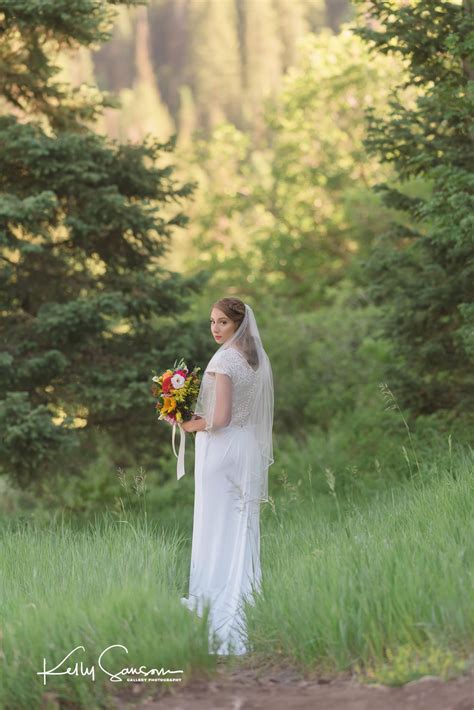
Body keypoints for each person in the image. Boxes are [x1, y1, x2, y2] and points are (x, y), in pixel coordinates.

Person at [179, 297, 274, 655]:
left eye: (222, 322)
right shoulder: (255, 360)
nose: (215, 328)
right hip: (246, 448)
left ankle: (214, 602)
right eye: (212, 322)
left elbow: (218, 419)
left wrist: (187, 424)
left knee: (214, 524)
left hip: (221, 450)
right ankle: (241, 596)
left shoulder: (223, 360)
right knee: (239, 526)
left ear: (238, 324)